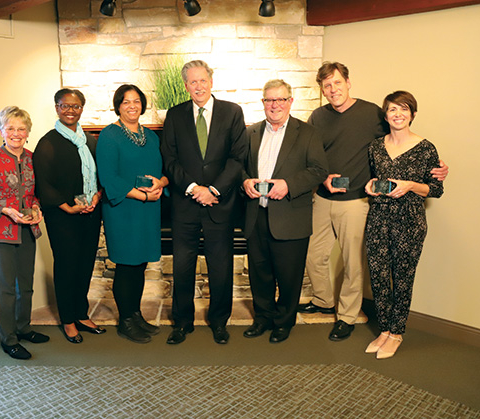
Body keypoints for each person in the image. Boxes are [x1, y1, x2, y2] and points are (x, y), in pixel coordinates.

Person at [302, 62, 449, 342]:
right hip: (322, 198)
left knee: (353, 262)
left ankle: (347, 316)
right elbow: (310, 154)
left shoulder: (372, 113)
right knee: (312, 254)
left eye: (337, 83)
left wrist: (437, 166)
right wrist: (322, 179)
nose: (333, 90)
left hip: (357, 201)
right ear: (321, 89)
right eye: (327, 86)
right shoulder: (318, 117)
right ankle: (323, 301)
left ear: (348, 82)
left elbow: (401, 134)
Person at [161, 59, 248, 345]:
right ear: (186, 86)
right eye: (192, 82)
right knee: (182, 266)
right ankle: (182, 322)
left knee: (220, 265)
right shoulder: (174, 115)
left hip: (219, 204)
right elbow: (169, 158)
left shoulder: (232, 112)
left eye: (202, 80)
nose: (198, 86)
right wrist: (191, 187)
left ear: (211, 81)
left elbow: (238, 158)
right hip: (185, 204)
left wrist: (212, 189)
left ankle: (219, 321)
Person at [242, 80, 328, 343]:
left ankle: (283, 322)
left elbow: (318, 170)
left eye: (280, 100)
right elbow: (240, 167)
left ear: (290, 102)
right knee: (260, 274)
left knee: (289, 276)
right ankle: (263, 318)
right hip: (257, 216)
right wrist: (245, 181)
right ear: (263, 103)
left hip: (290, 217)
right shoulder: (251, 133)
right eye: (269, 100)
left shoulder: (308, 133)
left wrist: (288, 185)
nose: (274, 105)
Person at [363, 91, 443, 359]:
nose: (398, 114)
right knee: (378, 275)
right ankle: (384, 329)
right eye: (392, 110)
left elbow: (436, 189)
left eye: (403, 109)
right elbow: (372, 179)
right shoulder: (375, 147)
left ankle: (396, 333)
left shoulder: (426, 148)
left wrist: (409, 186)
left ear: (413, 114)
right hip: (378, 217)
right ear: (385, 115)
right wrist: (370, 186)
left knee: (402, 277)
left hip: (409, 220)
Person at [0, 106, 48, 360]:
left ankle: (23, 328)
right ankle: (9, 339)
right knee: (5, 287)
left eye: (21, 129)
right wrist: (4, 209)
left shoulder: (32, 158)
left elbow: (35, 193)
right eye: (11, 128)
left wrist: (36, 207)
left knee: (25, 284)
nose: (16, 133)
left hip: (26, 229)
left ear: (28, 132)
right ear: (2, 131)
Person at [96, 84, 168, 344]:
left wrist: (161, 184)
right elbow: (108, 177)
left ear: (142, 104)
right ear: (118, 105)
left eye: (136, 101)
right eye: (126, 102)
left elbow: (161, 169)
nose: (132, 106)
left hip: (148, 211)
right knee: (126, 265)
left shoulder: (151, 136)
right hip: (123, 209)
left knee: (140, 265)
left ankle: (136, 315)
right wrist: (142, 195)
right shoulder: (109, 135)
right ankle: (125, 321)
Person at [33, 88, 105, 344]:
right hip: (63, 216)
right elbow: (44, 182)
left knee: (85, 264)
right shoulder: (48, 142)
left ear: (82, 108)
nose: (70, 110)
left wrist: (97, 196)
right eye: (65, 106)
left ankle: (80, 313)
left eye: (75, 106)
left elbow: (99, 175)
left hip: (89, 213)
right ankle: (67, 319)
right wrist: (66, 206)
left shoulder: (90, 142)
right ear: (56, 108)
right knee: (66, 266)